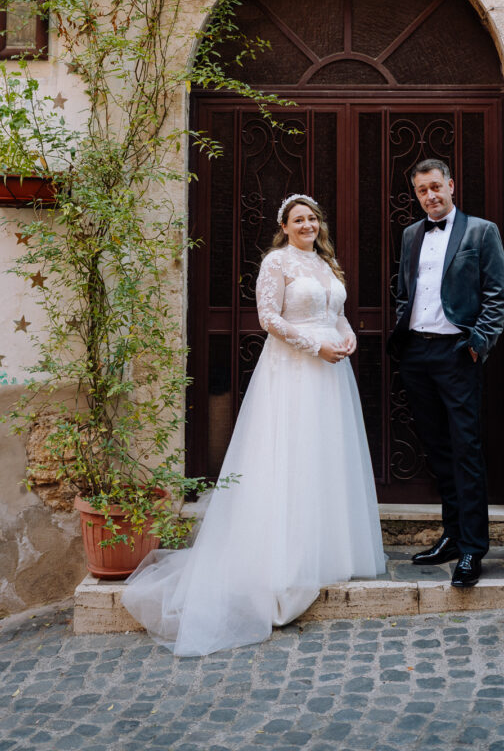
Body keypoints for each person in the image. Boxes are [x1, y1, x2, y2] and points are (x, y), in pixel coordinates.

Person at [122, 194, 385, 656]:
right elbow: (269, 319)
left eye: (312, 218)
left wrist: (347, 338)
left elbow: (338, 313)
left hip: (332, 374)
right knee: (292, 455)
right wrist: (315, 346)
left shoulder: (326, 264)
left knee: (326, 456)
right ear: (284, 226)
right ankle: (283, 558)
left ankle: (329, 550)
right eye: (298, 219)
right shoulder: (277, 263)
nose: (307, 224)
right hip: (295, 371)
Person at [388, 159, 504, 588]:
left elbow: (498, 296)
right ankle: (453, 537)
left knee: (466, 451)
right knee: (438, 452)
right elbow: (404, 290)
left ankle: (473, 549)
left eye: (436, 187)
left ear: (451, 185)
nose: (430, 196)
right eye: (422, 191)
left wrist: (477, 345)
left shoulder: (481, 232)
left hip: (458, 355)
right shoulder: (410, 235)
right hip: (417, 356)